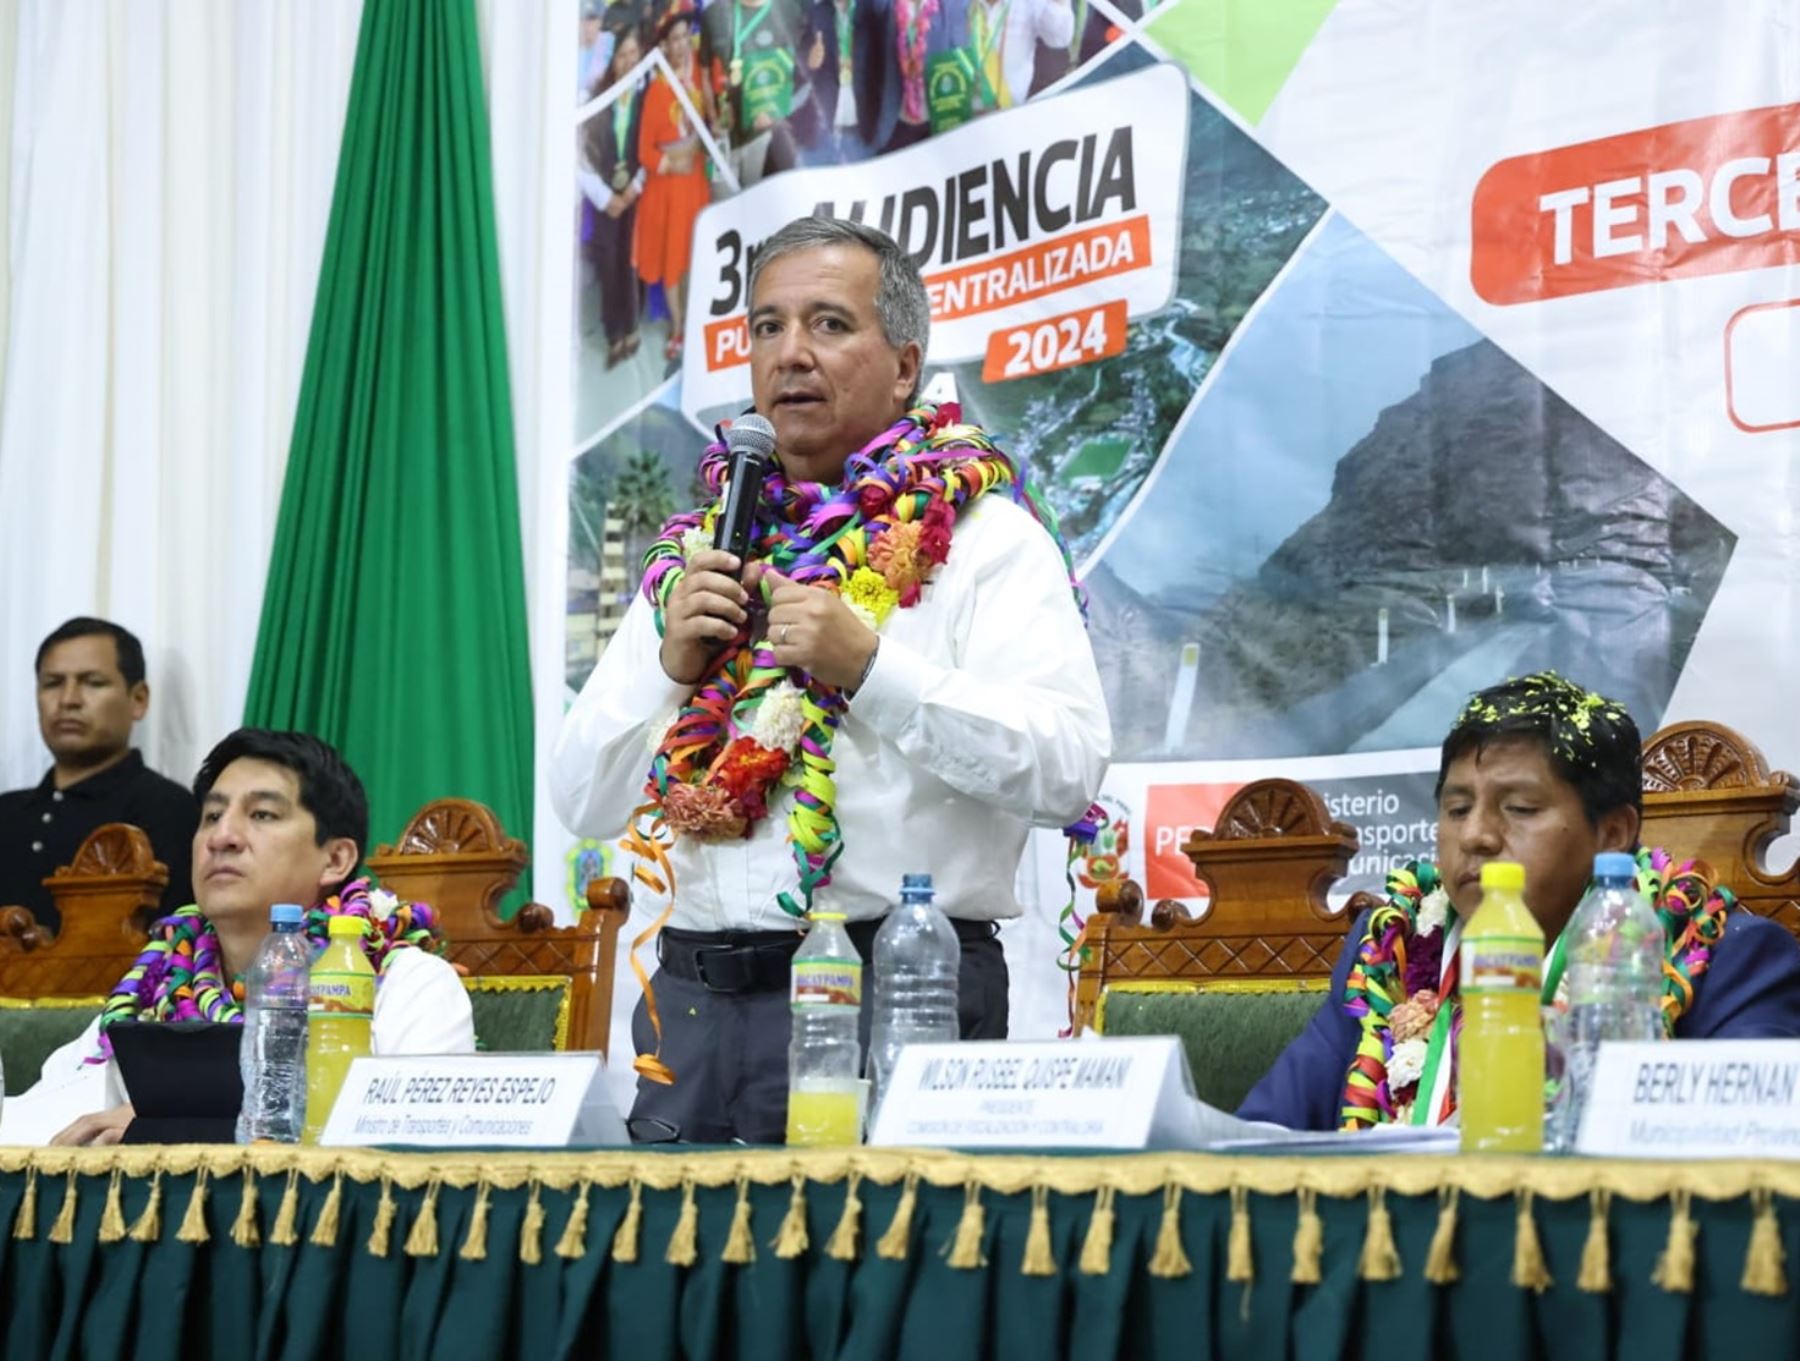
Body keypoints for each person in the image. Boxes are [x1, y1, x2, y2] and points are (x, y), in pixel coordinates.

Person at [550, 215, 1110, 1142]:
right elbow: (582, 799)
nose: (790, 354)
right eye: (766, 328)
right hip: (692, 1012)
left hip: (899, 994)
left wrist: (873, 669)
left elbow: (1068, 766)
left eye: (829, 324)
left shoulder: (985, 541)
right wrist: (668, 669)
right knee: (682, 1286)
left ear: (904, 364)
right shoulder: (706, 554)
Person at [1239, 672, 1800, 1131]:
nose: (1476, 836)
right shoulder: (1390, 954)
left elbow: (1749, 1175)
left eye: (1520, 809)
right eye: (1457, 809)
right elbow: (1263, 1135)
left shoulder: (1724, 961)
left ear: (1612, 833)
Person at [0, 728, 475, 1147]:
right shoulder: (159, 987)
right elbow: (41, 1118)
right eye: (210, 816)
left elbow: (416, 1148)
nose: (222, 836)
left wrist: (167, 1131)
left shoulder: (408, 985)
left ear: (335, 860)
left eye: (263, 815)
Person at [0, 618, 199, 931]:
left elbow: (173, 950)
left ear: (138, 700)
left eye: (92, 682)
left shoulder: (168, 810)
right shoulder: (6, 812)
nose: (68, 700)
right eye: (52, 683)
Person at [633, 6, 713, 364]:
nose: (680, 45)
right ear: (663, 45)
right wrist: (671, 162)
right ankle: (678, 329)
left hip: (696, 183)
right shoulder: (655, 91)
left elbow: (712, 116)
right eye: (674, 39)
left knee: (695, 258)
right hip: (668, 191)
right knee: (672, 264)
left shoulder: (700, 71)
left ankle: (697, 324)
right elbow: (643, 151)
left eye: (684, 37)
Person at [581, 22, 648, 367]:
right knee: (609, 264)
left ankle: (632, 326)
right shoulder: (594, 98)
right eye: (622, 55)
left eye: (634, 54)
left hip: (636, 195)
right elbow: (579, 156)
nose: (628, 61)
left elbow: (653, 146)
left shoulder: (646, 95)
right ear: (611, 60)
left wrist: (634, 187)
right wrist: (605, 196)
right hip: (606, 198)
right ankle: (613, 333)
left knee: (633, 263)